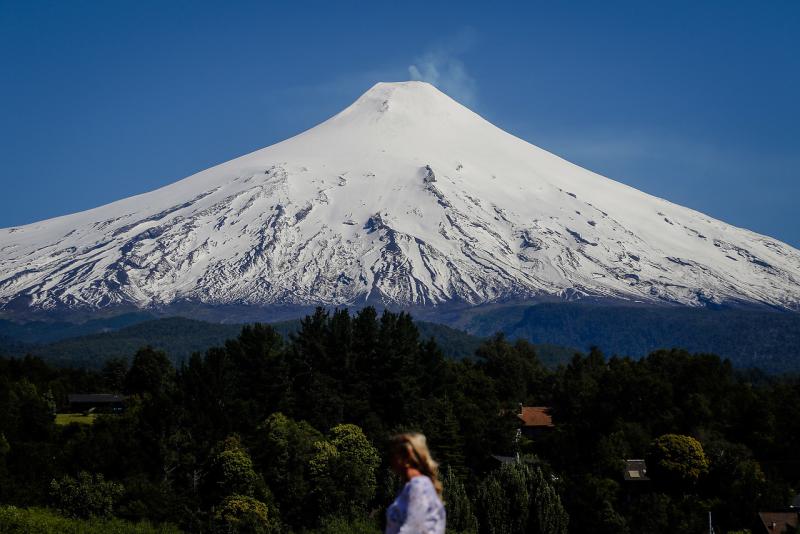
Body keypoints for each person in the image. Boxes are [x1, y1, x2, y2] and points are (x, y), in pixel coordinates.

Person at [385, 432, 446, 534]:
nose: (390, 460)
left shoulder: (419, 486)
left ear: (407, 455)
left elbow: (412, 530)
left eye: (392, 454)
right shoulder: (412, 486)